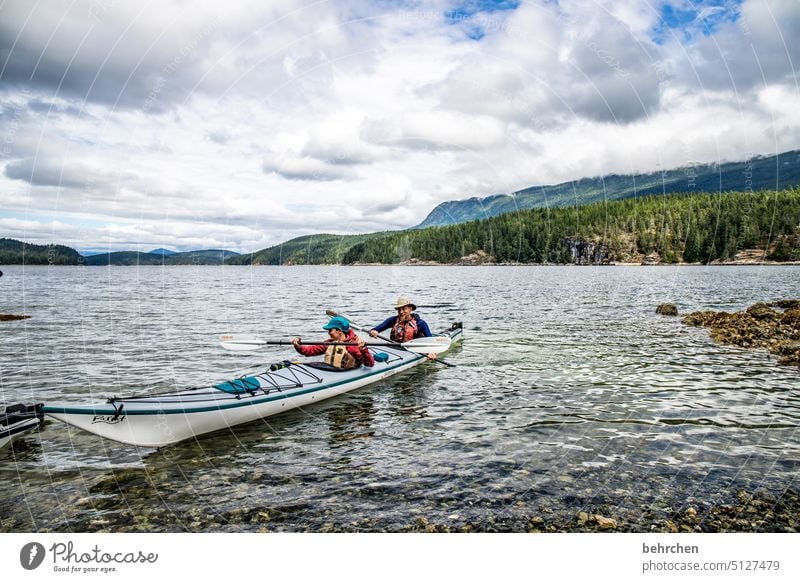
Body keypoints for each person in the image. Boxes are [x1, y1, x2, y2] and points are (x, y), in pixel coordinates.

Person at [292, 316, 374, 369]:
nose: (328, 333)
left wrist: (363, 349)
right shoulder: (329, 343)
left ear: (339, 331)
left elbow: (369, 364)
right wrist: (298, 346)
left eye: (330, 330)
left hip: (346, 372)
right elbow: (309, 351)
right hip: (331, 371)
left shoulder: (353, 345)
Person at [369, 296, 437, 359]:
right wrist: (373, 331)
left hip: (413, 350)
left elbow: (431, 341)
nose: (401, 312)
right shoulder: (393, 320)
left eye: (404, 309)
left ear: (410, 309)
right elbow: (376, 329)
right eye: (399, 309)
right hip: (395, 349)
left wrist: (432, 352)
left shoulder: (420, 323)